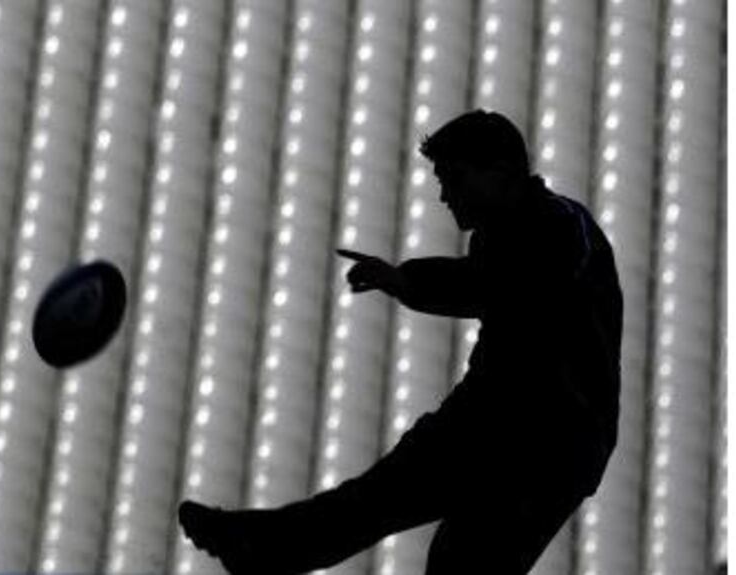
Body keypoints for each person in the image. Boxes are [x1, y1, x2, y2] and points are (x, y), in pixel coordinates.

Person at [178, 109, 623, 574]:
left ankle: (262, 547)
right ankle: (261, 546)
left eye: (455, 178)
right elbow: (488, 286)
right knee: (393, 505)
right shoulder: (508, 235)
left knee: (438, 539)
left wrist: (405, 279)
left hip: (546, 435)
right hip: (502, 417)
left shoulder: (559, 228)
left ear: (501, 171)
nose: (444, 195)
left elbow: (494, 285)